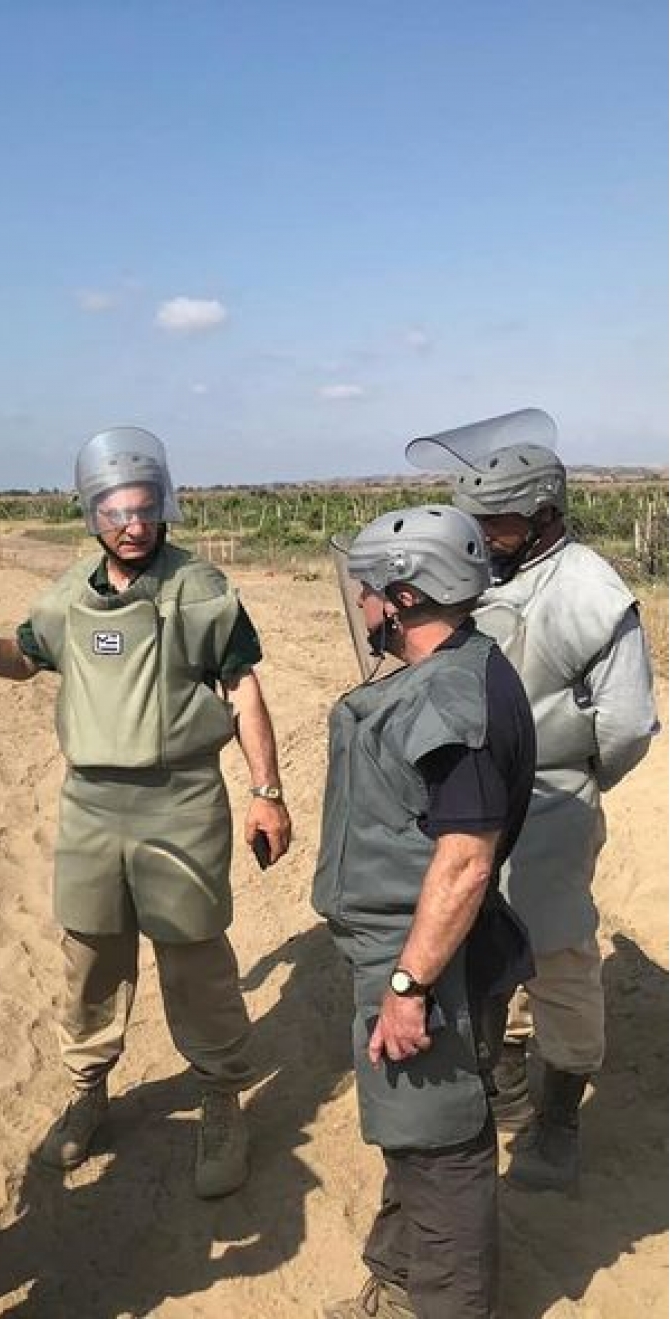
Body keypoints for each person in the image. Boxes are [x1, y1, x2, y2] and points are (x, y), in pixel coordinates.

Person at [0, 425, 291, 1199]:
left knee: (195, 956)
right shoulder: (69, 595)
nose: (133, 525)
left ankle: (220, 1097)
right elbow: (22, 658)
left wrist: (267, 791)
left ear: (163, 505)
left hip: (179, 801)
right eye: (116, 512)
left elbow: (242, 687)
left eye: (144, 508)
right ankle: (88, 1090)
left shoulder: (201, 589)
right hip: (91, 805)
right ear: (93, 514)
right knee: (90, 956)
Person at [414, 413, 659, 1192]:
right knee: (478, 933)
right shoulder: (485, 573)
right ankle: (505, 1077)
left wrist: (577, 784)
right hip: (473, 795)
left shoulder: (591, 591)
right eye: (476, 519)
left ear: (544, 515)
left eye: (497, 520)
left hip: (550, 795)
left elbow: (626, 724)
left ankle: (560, 1119)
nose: (481, 533)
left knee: (558, 954)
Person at [312, 504, 536, 1319]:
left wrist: (409, 985)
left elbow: (466, 860)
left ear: (404, 597)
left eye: (369, 587)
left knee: (443, 1152)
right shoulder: (459, 667)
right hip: (417, 950)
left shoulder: (451, 700)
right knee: (417, 1129)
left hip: (431, 962)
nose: (361, 601)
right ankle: (401, 1285)